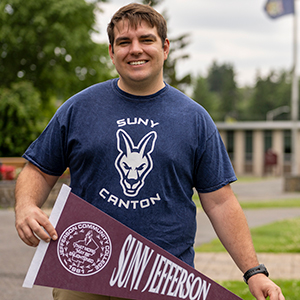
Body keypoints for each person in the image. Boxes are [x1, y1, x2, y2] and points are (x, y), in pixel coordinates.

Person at [15, 3, 285, 300]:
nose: (135, 50)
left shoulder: (194, 119)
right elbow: (38, 169)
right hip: (86, 273)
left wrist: (253, 272)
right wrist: (27, 206)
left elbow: (221, 203)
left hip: (166, 279)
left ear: (165, 47)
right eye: (124, 42)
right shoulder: (79, 109)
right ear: (111, 51)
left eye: (146, 40)